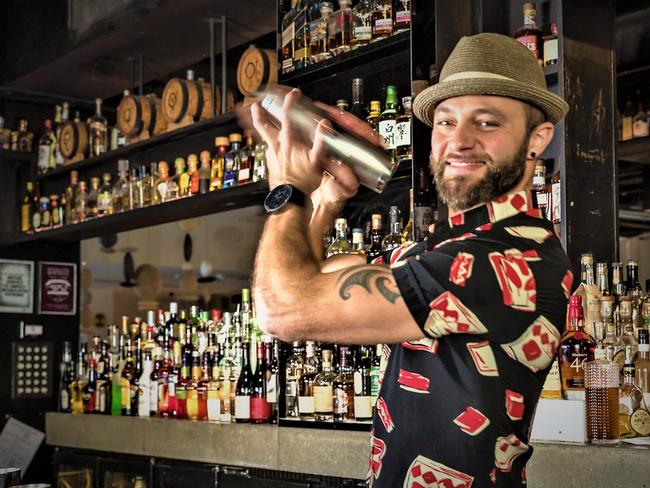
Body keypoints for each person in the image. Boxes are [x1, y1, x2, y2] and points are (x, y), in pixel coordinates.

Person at [251, 32, 573, 488]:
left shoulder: (509, 257)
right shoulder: (445, 249)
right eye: (445, 122)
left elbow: (282, 308)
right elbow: (306, 280)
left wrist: (287, 189)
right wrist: (326, 200)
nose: (458, 141)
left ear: (537, 138)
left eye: (486, 123)